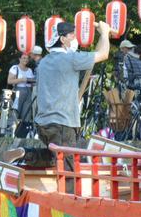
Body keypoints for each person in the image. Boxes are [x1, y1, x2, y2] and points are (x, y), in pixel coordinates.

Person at [35, 19, 112, 185]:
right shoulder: (70, 59)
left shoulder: (43, 62)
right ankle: (68, 207)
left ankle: (26, 154)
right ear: (63, 40)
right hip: (63, 123)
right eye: (72, 36)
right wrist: (105, 33)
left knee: (54, 156)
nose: (75, 39)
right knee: (69, 170)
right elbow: (104, 54)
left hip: (43, 124)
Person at [7, 49, 38, 134]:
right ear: (19, 59)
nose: (25, 60)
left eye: (27, 58)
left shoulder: (29, 70)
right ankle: (11, 132)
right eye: (23, 58)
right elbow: (9, 81)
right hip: (18, 91)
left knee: (27, 113)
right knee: (15, 112)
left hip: (28, 92)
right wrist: (21, 80)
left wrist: (32, 82)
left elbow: (32, 82)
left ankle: (24, 132)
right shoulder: (15, 68)